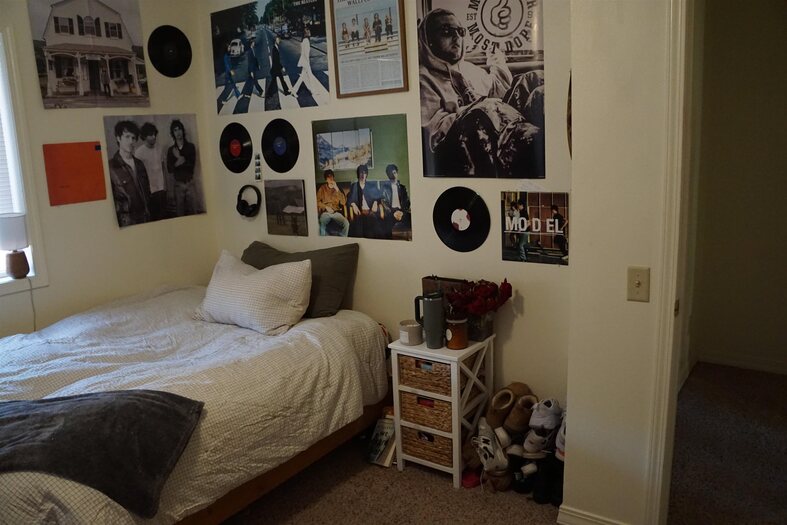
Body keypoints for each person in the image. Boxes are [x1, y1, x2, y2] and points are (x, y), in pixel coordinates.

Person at [418, 8, 512, 155]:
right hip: (472, 151)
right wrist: (482, 109)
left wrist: (496, 60)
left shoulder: (469, 69)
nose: (456, 36)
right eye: (446, 31)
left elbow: (499, 89)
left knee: (533, 79)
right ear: (428, 39)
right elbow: (434, 132)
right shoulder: (423, 80)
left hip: (506, 133)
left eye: (460, 31)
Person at [108, 120, 150, 227]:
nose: (131, 141)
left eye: (133, 138)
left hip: (145, 218)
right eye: (127, 137)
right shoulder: (111, 167)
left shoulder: (139, 164)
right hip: (126, 222)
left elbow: (146, 192)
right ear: (118, 138)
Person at [134, 123, 167, 221]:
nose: (154, 137)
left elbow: (163, 168)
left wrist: (165, 185)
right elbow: (137, 174)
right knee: (153, 218)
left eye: (154, 134)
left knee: (164, 217)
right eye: (151, 135)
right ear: (144, 136)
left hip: (161, 189)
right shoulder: (139, 152)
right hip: (149, 192)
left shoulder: (159, 148)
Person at [166, 119, 198, 216]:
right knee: (180, 213)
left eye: (179, 129)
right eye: (175, 130)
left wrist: (179, 159)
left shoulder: (191, 147)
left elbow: (191, 166)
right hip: (178, 185)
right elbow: (169, 169)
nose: (178, 132)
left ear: (183, 130)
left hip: (190, 183)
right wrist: (179, 161)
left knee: (194, 212)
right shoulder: (171, 150)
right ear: (173, 133)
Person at [347, 164, 383, 238]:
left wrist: (376, 202)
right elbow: (349, 199)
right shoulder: (354, 186)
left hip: (370, 211)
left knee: (375, 227)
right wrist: (353, 205)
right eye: (361, 173)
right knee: (358, 229)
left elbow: (379, 196)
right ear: (358, 174)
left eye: (364, 173)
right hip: (359, 213)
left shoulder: (371, 186)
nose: (363, 175)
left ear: (366, 174)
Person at [380, 164, 411, 239]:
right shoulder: (384, 188)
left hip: (402, 211)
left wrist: (402, 212)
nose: (393, 175)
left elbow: (407, 202)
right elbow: (383, 202)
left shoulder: (403, 188)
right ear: (388, 175)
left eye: (394, 172)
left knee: (411, 218)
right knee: (386, 224)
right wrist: (393, 212)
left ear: (397, 173)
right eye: (390, 173)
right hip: (391, 212)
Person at [316, 169, 349, 236]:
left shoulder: (338, 188)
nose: (331, 179)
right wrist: (326, 207)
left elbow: (343, 202)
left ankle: (342, 239)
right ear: (326, 180)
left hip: (336, 212)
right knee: (321, 224)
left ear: (333, 177)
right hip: (326, 213)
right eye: (328, 177)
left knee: (346, 224)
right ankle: (323, 240)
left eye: (331, 176)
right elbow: (317, 201)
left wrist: (337, 189)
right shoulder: (322, 188)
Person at [290, 26, 318, 96]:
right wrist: (308, 62)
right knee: (308, 76)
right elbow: (306, 53)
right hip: (306, 61)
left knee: (303, 76)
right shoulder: (306, 41)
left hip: (304, 61)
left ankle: (294, 90)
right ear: (306, 33)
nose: (310, 32)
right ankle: (313, 91)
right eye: (309, 31)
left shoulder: (303, 40)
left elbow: (303, 52)